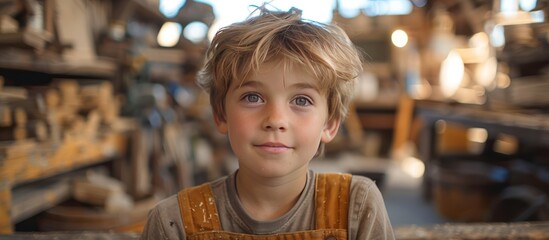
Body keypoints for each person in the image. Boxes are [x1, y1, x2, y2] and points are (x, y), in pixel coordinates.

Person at [141, 5, 394, 240]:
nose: (275, 120)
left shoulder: (356, 207)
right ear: (220, 115)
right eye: (253, 97)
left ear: (329, 124)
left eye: (302, 100)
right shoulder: (174, 223)